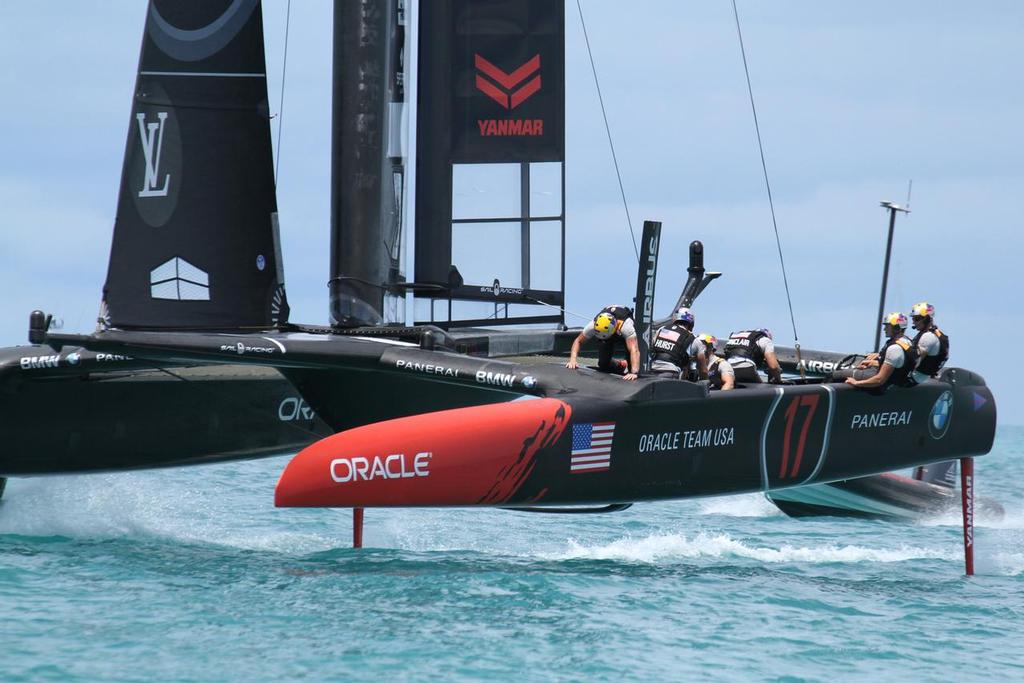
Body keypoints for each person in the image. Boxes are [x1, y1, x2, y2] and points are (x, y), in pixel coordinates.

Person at [845, 312, 918, 390]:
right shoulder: (908, 341)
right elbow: (897, 365)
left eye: (887, 326)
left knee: (838, 374)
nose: (884, 329)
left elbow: (879, 380)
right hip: (898, 381)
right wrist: (873, 363)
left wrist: (856, 383)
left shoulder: (894, 349)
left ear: (896, 328)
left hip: (882, 386)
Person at [566, 305, 640, 381]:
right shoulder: (593, 325)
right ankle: (620, 365)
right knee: (603, 364)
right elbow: (578, 341)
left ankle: (630, 367)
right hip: (607, 330)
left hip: (623, 329)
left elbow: (634, 350)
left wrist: (634, 372)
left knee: (632, 367)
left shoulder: (626, 327)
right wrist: (573, 360)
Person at [649, 307, 707, 380]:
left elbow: (651, 348)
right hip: (670, 373)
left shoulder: (662, 329)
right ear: (691, 322)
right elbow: (704, 370)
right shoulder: (694, 340)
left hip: (651, 371)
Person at [909, 301, 949, 384]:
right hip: (923, 377)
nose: (913, 322)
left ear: (927, 319)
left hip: (915, 379)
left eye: (916, 319)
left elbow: (913, 361)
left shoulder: (928, 337)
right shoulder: (935, 333)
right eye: (913, 319)